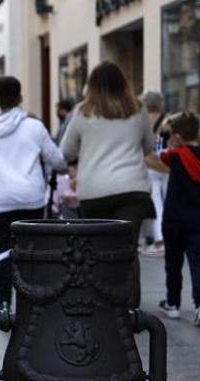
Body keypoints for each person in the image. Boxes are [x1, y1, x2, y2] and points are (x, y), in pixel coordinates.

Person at [60, 61, 158, 307]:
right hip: (132, 189)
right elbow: (148, 145)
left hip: (95, 191)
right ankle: (130, 308)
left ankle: (103, 304)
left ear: (91, 86)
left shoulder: (82, 112)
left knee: (97, 250)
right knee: (127, 249)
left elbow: (66, 150)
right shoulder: (139, 109)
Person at [0, 77, 68, 311]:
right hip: (30, 198)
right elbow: (57, 160)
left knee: (1, 250)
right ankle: (31, 300)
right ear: (20, 98)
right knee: (31, 249)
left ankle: (3, 302)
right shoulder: (35, 128)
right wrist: (64, 167)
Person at [154, 112, 200, 327]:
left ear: (178, 137)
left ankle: (173, 303)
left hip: (174, 218)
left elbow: (157, 153)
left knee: (173, 261)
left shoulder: (175, 155)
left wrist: (162, 133)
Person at [142, 90, 169, 257]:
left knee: (156, 204)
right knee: (169, 202)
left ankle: (160, 240)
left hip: (150, 166)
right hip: (167, 164)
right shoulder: (167, 119)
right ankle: (169, 238)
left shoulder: (143, 121)